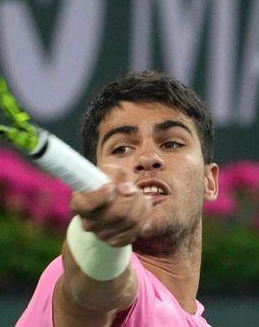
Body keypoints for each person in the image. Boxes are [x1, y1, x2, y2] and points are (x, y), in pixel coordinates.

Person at [17, 70, 218, 326]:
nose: (147, 158)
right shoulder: (76, 273)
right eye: (121, 148)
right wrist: (102, 241)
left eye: (171, 144)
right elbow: (92, 294)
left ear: (209, 181)